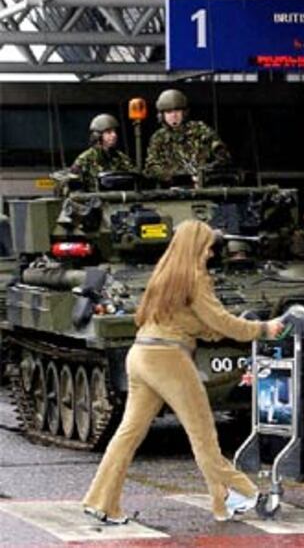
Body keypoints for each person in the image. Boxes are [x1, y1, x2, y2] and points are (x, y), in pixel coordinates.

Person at [82, 219, 284, 524]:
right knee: (203, 435)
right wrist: (264, 329)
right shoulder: (196, 278)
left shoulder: (164, 274)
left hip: (140, 354)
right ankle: (241, 491)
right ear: (196, 246)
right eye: (207, 247)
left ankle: (101, 501)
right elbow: (222, 321)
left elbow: (178, 320)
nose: (211, 254)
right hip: (169, 359)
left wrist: (212, 331)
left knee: (127, 435)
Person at [143, 89, 232, 186]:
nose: (174, 116)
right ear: (162, 116)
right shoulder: (158, 138)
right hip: (173, 190)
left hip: (205, 186)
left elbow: (223, 157)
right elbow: (151, 168)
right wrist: (175, 176)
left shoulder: (200, 130)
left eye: (177, 111)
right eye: (169, 112)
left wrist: (204, 173)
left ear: (184, 113)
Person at [70, 114, 135, 192]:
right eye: (109, 132)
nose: (114, 135)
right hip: (94, 200)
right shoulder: (85, 159)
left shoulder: (122, 158)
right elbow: (74, 188)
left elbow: (134, 178)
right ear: (98, 136)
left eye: (114, 131)